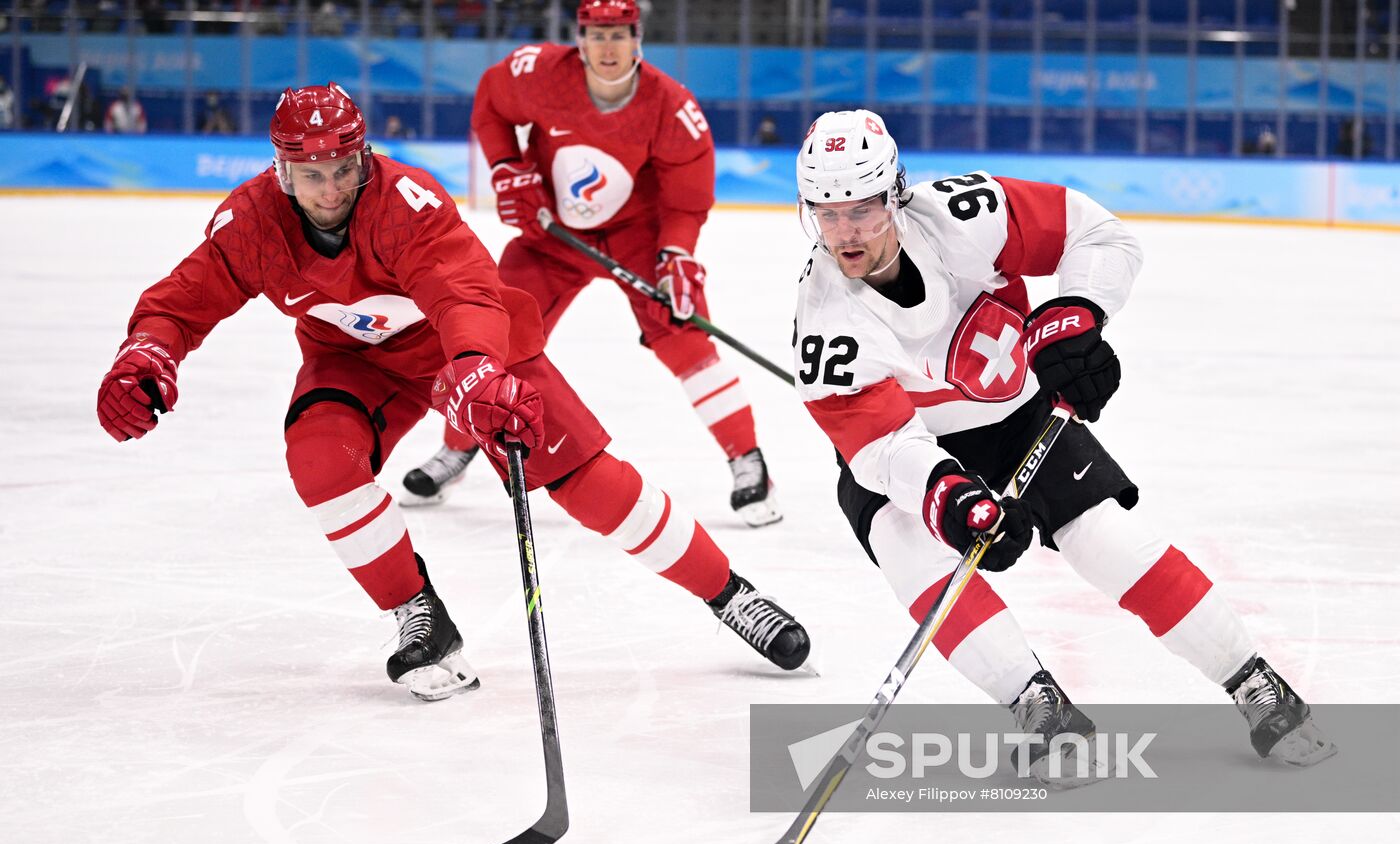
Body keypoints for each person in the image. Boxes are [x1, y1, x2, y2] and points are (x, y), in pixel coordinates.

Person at [95, 83, 811, 704]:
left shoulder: (406, 203)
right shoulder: (250, 221)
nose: (330, 188)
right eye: (310, 174)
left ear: (364, 156)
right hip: (353, 362)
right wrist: (147, 353)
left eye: (343, 168)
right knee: (318, 460)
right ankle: (420, 615)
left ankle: (731, 593)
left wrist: (474, 368)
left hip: (464, 351)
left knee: (589, 486)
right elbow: (183, 300)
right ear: (280, 170)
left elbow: (464, 292)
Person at [790, 109, 1335, 784]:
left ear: (896, 191)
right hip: (916, 445)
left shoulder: (964, 216)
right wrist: (948, 496)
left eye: (863, 210)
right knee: (907, 545)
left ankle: (1253, 680)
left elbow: (1097, 233)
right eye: (827, 213)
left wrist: (1074, 315)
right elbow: (877, 445)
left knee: (1103, 536)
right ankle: (1036, 703)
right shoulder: (824, 324)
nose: (846, 233)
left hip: (1017, 414)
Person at [401, 0, 782, 528]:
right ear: (579, 38)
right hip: (550, 233)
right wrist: (509, 168)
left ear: (638, 38)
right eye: (597, 35)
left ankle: (748, 459)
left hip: (638, 238)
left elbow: (686, 199)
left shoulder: (673, 109)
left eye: (620, 35)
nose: (608, 47)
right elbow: (490, 103)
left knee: (685, 335)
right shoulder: (537, 74)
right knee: (492, 329)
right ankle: (457, 447)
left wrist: (676, 253)